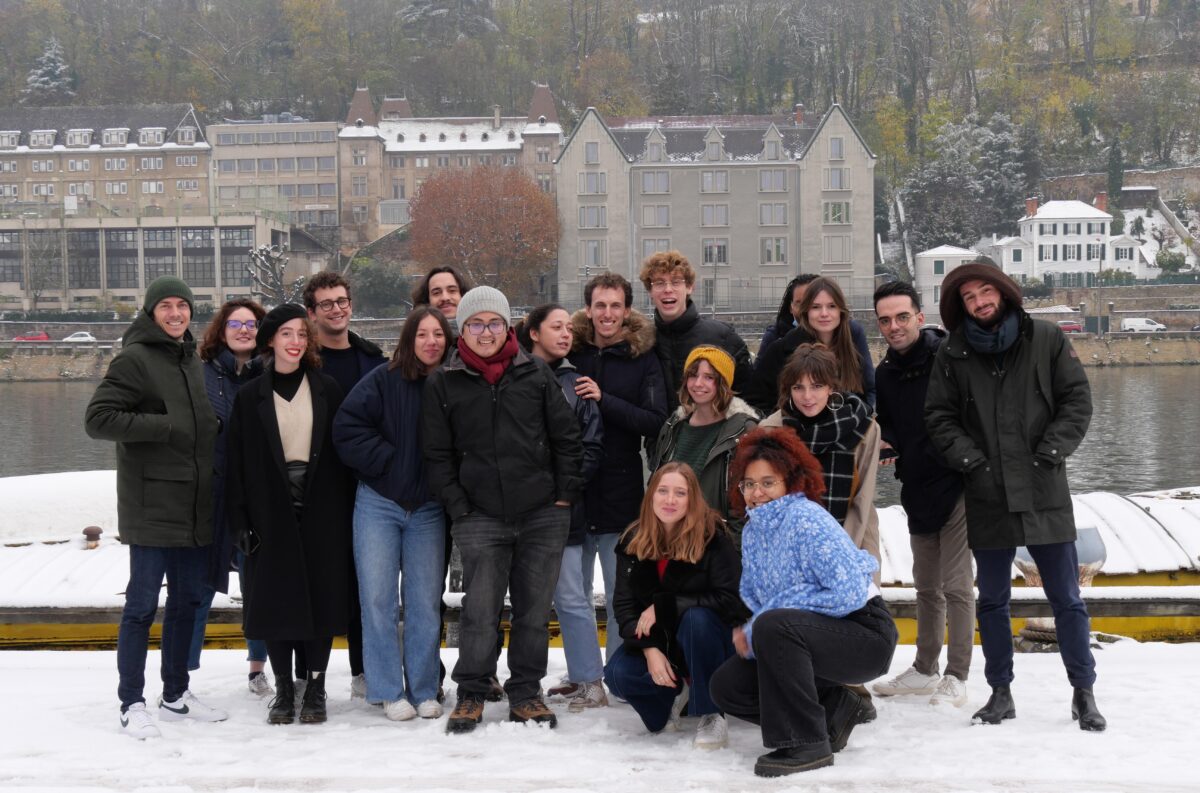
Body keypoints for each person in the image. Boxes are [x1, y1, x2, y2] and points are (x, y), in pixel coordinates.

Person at [925, 261, 1105, 731]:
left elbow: (1077, 400)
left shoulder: (1046, 338)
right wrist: (973, 463)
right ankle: (1000, 693)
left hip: (1045, 487)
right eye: (969, 297)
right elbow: (939, 417)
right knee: (992, 601)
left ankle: (1083, 692)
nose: (980, 302)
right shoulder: (952, 353)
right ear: (961, 307)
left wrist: (1050, 453)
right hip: (987, 492)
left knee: (1067, 598)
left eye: (986, 292)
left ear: (1003, 292)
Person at [422, 286, 583, 733]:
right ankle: (472, 691)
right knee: (480, 609)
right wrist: (459, 506)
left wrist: (564, 495)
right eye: (475, 324)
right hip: (479, 515)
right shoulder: (445, 381)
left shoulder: (535, 372)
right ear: (462, 330)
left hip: (542, 512)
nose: (486, 332)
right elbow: (437, 453)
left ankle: (526, 692)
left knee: (534, 611)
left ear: (507, 325)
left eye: (494, 322)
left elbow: (566, 437)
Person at [710, 428, 897, 777]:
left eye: (768, 482)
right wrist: (755, 627)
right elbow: (765, 603)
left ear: (790, 482)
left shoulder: (806, 518)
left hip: (865, 633)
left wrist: (767, 619)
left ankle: (807, 743)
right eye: (749, 484)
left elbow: (848, 592)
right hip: (805, 635)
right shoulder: (753, 531)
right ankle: (836, 709)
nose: (757, 492)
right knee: (727, 687)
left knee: (773, 624)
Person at [84, 275, 226, 739]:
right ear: (151, 312)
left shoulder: (190, 359)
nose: (175, 314)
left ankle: (175, 695)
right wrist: (164, 426)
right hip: (151, 507)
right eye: (165, 306)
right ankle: (131, 702)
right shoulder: (135, 358)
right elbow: (98, 419)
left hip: (193, 505)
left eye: (182, 306)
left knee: (186, 603)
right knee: (141, 608)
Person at [225, 304, 355, 725]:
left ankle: (315, 687)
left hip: (322, 507)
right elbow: (235, 463)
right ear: (270, 340)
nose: (296, 341)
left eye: (301, 334)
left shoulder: (328, 389)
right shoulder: (250, 396)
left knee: (321, 597)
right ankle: (283, 688)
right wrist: (239, 521)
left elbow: (342, 454)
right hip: (269, 509)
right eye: (286, 334)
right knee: (274, 599)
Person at [332, 306, 452, 722]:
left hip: (429, 509)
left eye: (438, 334)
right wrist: (388, 460)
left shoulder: (453, 383)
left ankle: (424, 688)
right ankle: (386, 689)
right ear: (409, 339)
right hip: (379, 503)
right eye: (422, 334)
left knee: (424, 603)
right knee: (378, 599)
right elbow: (346, 427)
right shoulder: (383, 379)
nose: (431, 342)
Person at [871, 281, 973, 707]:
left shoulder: (950, 357)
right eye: (885, 320)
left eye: (902, 317)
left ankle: (957, 674)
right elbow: (892, 424)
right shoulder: (884, 373)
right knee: (926, 585)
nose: (894, 326)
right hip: (916, 485)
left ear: (919, 316)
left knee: (957, 584)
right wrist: (887, 442)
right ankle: (925, 668)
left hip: (958, 482)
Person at [603, 463, 744, 750]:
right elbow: (624, 607)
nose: (670, 500)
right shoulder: (633, 539)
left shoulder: (713, 536)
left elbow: (731, 599)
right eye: (663, 491)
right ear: (651, 495)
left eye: (680, 493)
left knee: (696, 619)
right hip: (662, 641)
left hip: (709, 640)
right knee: (617, 674)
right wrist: (649, 649)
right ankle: (673, 694)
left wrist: (665, 606)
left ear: (693, 499)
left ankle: (712, 712)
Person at [569, 273, 669, 666]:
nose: (607, 314)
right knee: (573, 597)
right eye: (600, 305)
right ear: (588, 309)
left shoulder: (642, 358)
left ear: (627, 311)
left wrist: (603, 399)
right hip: (575, 491)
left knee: (620, 596)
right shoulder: (571, 353)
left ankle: (616, 674)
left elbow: (655, 420)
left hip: (622, 492)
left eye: (615, 306)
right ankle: (585, 677)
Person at [515, 304, 607, 713]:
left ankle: (591, 681)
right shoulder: (514, 377)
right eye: (557, 327)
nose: (567, 333)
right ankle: (570, 675)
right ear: (534, 333)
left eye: (570, 327)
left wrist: (563, 491)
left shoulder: (576, 384)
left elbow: (591, 446)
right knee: (539, 600)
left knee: (570, 596)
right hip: (521, 509)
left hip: (563, 507)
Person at [302, 271, 386, 699]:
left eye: (342, 301)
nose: (336, 309)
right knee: (318, 581)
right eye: (326, 303)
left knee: (366, 585)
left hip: (367, 487)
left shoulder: (373, 360)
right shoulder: (301, 361)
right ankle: (307, 675)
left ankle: (363, 670)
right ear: (312, 313)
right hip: (317, 490)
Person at [189, 298, 271, 697]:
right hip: (212, 495)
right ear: (221, 330)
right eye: (235, 324)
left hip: (257, 496)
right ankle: (181, 677)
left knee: (259, 588)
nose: (243, 330)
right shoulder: (200, 374)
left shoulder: (271, 375)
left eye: (251, 324)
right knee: (199, 587)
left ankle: (258, 668)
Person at [760, 344, 881, 566]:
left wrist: (842, 554)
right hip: (789, 549)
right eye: (798, 387)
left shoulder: (863, 428)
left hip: (853, 540)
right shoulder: (771, 431)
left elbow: (863, 498)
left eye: (816, 386)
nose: (807, 397)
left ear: (830, 387)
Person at [650, 345, 758, 526]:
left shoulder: (743, 431)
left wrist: (729, 540)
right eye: (693, 375)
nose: (698, 383)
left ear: (723, 383)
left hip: (715, 534)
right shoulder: (674, 424)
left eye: (709, 377)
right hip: (670, 531)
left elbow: (747, 500)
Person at [639, 250, 752, 412]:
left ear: (690, 287)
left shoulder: (723, 338)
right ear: (650, 291)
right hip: (660, 429)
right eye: (659, 283)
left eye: (676, 282)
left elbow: (749, 398)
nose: (668, 289)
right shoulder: (643, 343)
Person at [747, 276, 874, 414]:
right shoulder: (780, 350)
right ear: (806, 311)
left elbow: (867, 392)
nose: (824, 314)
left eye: (831, 306)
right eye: (816, 307)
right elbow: (756, 402)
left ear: (841, 311)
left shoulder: (852, 346)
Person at [754, 274, 818, 366]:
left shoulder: (837, 337)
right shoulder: (774, 337)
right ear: (791, 307)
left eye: (813, 304)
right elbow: (759, 372)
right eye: (800, 303)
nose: (806, 310)